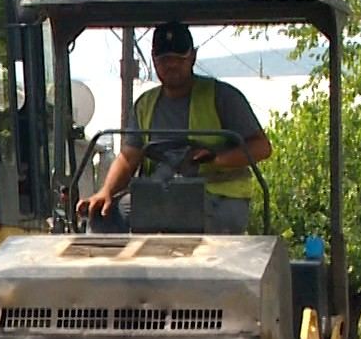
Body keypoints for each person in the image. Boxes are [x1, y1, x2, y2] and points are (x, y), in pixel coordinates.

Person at [77, 21, 271, 235]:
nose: (171, 65)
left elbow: (261, 147)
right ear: (154, 61)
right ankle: (113, 269)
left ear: (193, 57)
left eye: (179, 59)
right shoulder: (145, 104)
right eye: (164, 60)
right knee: (103, 217)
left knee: (178, 216)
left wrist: (217, 159)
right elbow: (128, 156)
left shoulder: (223, 97)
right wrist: (105, 191)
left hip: (217, 197)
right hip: (159, 195)